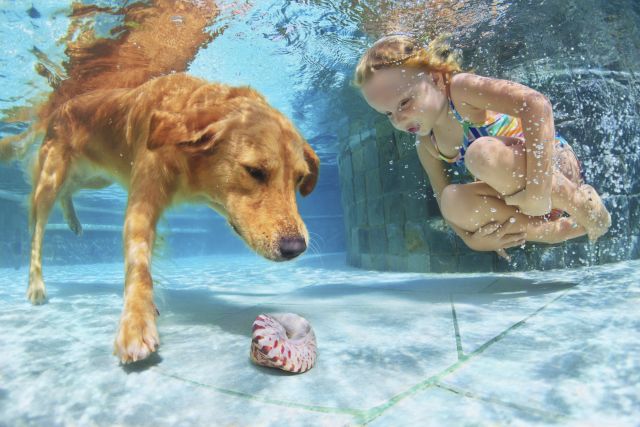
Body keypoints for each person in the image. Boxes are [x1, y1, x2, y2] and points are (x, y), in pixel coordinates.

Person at [354, 34, 611, 259]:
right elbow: (446, 206)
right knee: (451, 200)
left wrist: (537, 189)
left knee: (481, 154)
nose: (398, 120)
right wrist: (472, 240)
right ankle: (551, 232)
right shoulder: (427, 145)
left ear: (434, 77)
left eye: (404, 103)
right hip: (526, 201)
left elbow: (536, 105)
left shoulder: (462, 90)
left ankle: (584, 205)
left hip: (553, 168)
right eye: (387, 114)